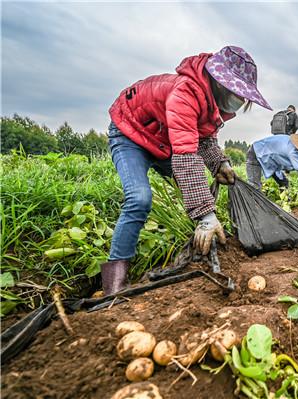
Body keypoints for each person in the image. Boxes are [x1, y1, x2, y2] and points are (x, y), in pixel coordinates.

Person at [102, 46, 271, 296]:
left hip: (162, 138)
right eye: (238, 93)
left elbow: (204, 140)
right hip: (131, 133)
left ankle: (200, 238)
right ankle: (114, 283)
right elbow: (185, 156)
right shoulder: (185, 93)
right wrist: (205, 214)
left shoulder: (212, 105)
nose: (240, 100)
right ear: (220, 82)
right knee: (139, 198)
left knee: (195, 184)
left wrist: (219, 164)